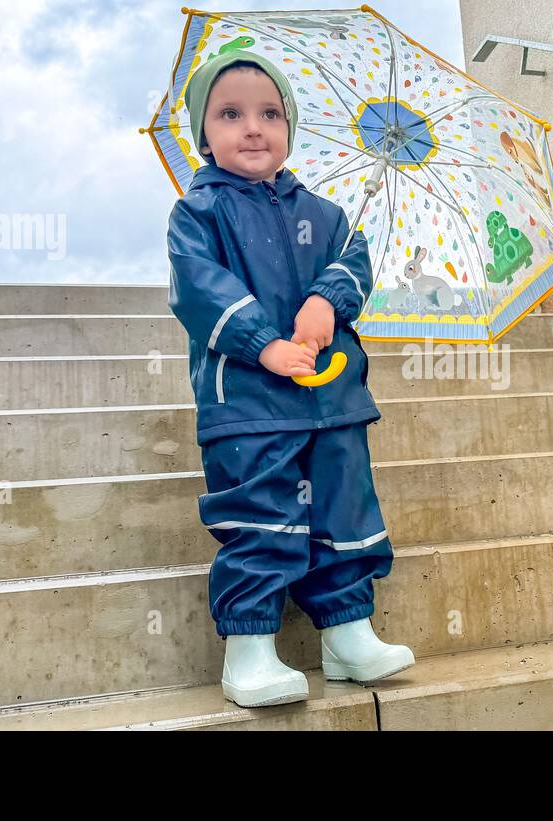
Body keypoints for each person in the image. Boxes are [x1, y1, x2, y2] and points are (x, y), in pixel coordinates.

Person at [165, 49, 414, 708]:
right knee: (261, 514)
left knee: (345, 510)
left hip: (330, 402)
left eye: (270, 113)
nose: (253, 126)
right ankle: (248, 647)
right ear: (204, 134)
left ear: (289, 129)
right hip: (249, 404)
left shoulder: (328, 216)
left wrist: (327, 297)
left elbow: (354, 259)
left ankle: (347, 631)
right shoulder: (201, 213)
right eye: (231, 113)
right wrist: (264, 343)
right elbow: (199, 286)